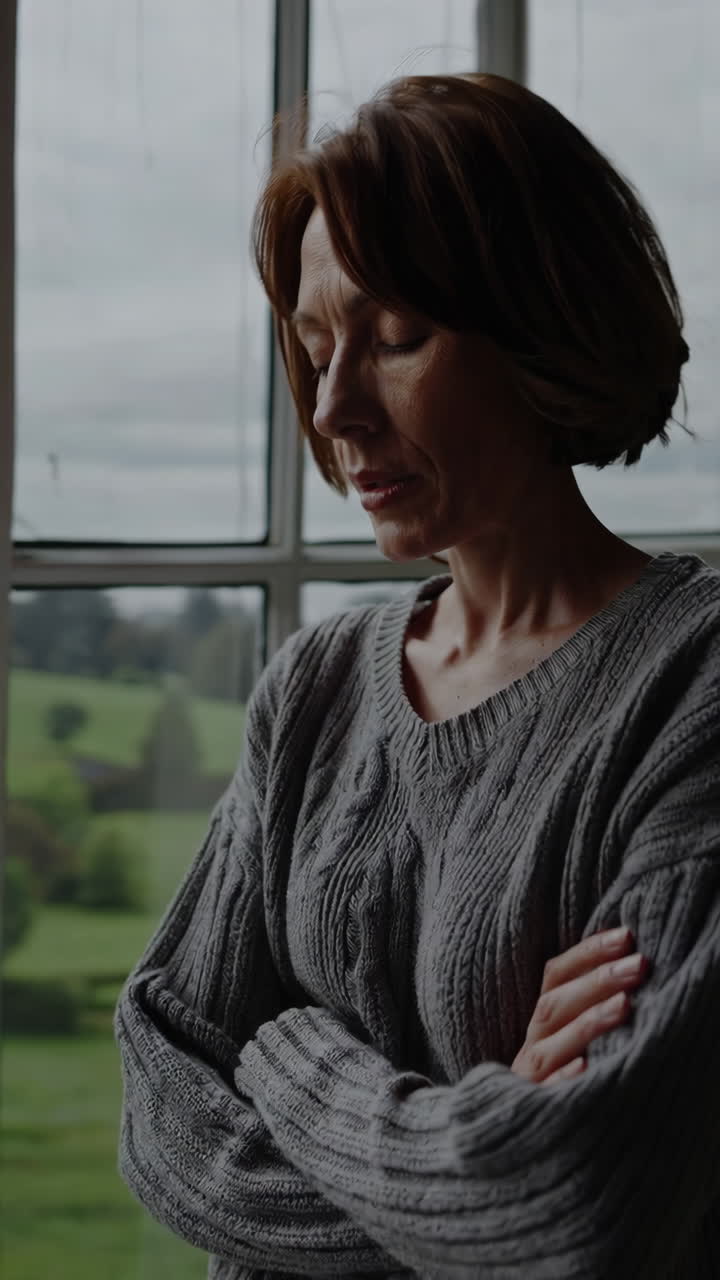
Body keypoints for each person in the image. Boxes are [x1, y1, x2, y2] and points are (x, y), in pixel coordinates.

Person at [114, 72, 720, 1279]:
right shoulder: (318, 689)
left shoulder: (691, 683)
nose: (336, 407)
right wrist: (466, 1140)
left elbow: (575, 1196)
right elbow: (158, 1087)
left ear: (543, 325)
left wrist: (290, 1055)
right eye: (313, 345)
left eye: (396, 338)